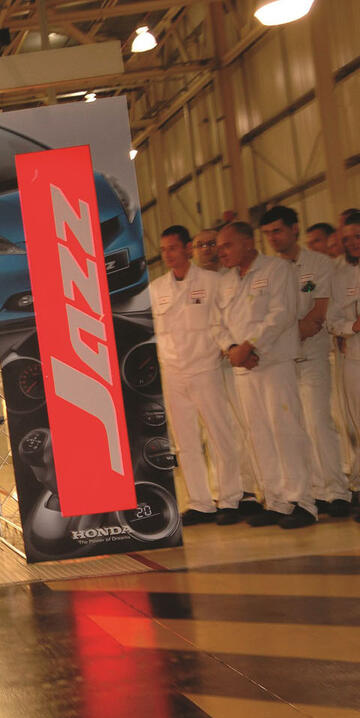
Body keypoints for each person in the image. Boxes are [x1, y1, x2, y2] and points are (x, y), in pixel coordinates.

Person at [214, 221, 317, 529]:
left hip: (274, 362)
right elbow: (217, 322)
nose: (222, 252)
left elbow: (282, 313)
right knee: (258, 433)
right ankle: (276, 501)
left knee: (286, 429)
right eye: (219, 247)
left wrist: (251, 345)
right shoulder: (226, 281)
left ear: (248, 243)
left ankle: (303, 502)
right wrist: (232, 347)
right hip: (245, 367)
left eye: (227, 246)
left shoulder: (277, 270)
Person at [150, 225, 245, 525]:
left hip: (206, 368)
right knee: (186, 441)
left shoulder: (212, 281)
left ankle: (230, 498)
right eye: (164, 250)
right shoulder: (157, 289)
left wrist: (226, 346)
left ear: (188, 248)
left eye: (173, 248)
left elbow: (225, 319)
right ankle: (200, 502)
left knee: (220, 434)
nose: (168, 254)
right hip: (174, 373)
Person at [259, 206, 350, 517]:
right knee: (289, 427)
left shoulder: (318, 264)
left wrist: (280, 336)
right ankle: (308, 492)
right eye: (267, 233)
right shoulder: (267, 269)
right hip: (280, 362)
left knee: (318, 421)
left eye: (278, 231)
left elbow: (318, 311)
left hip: (311, 356)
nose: (273, 238)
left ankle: (336, 490)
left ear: (294, 229)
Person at [327, 212, 360, 509]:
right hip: (354, 359)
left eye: (357, 236)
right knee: (357, 425)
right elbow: (333, 320)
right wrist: (352, 328)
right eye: (347, 239)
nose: (352, 243)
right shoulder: (342, 277)